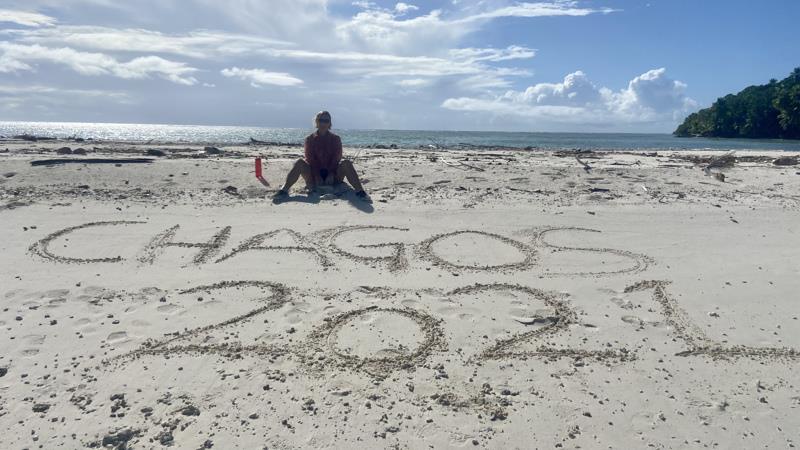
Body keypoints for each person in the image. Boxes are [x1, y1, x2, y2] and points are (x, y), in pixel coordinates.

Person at [273, 110, 368, 201]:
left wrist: (331, 173)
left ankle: (360, 192)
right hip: (313, 176)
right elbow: (310, 160)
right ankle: (284, 190)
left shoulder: (336, 139)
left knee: (346, 163)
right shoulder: (309, 139)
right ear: (316, 122)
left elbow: (336, 159)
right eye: (320, 120)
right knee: (299, 163)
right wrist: (317, 175)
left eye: (326, 121)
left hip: (333, 176)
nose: (323, 123)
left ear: (329, 123)